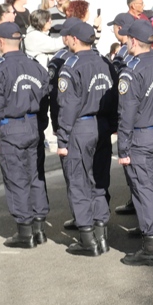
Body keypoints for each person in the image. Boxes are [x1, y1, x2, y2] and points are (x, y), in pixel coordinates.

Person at [0, 22, 51, 248]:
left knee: (16, 179)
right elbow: (45, 100)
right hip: (33, 126)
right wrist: (40, 125)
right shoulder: (36, 66)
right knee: (35, 176)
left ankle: (25, 232)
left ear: (0, 42)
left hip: (10, 128)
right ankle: (39, 228)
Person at [115, 21, 153, 266]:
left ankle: (151, 247)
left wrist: (122, 148)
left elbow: (126, 113)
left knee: (144, 191)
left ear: (133, 41)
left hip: (141, 136)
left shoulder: (132, 70)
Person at [57, 21, 114, 257]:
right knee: (99, 181)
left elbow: (68, 106)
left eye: (66, 37)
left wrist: (62, 139)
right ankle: (101, 235)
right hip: (102, 125)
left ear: (73, 39)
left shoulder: (71, 66)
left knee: (79, 183)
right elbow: (113, 97)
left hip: (81, 127)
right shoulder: (104, 62)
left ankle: (88, 239)